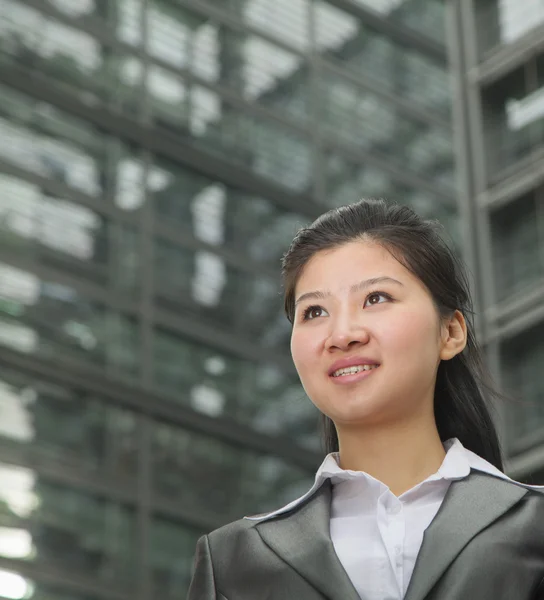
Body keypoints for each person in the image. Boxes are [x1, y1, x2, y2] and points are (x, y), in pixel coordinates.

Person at [187, 199, 544, 600]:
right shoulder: (235, 561)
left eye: (376, 298)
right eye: (314, 311)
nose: (342, 334)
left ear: (451, 332)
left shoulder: (533, 524)